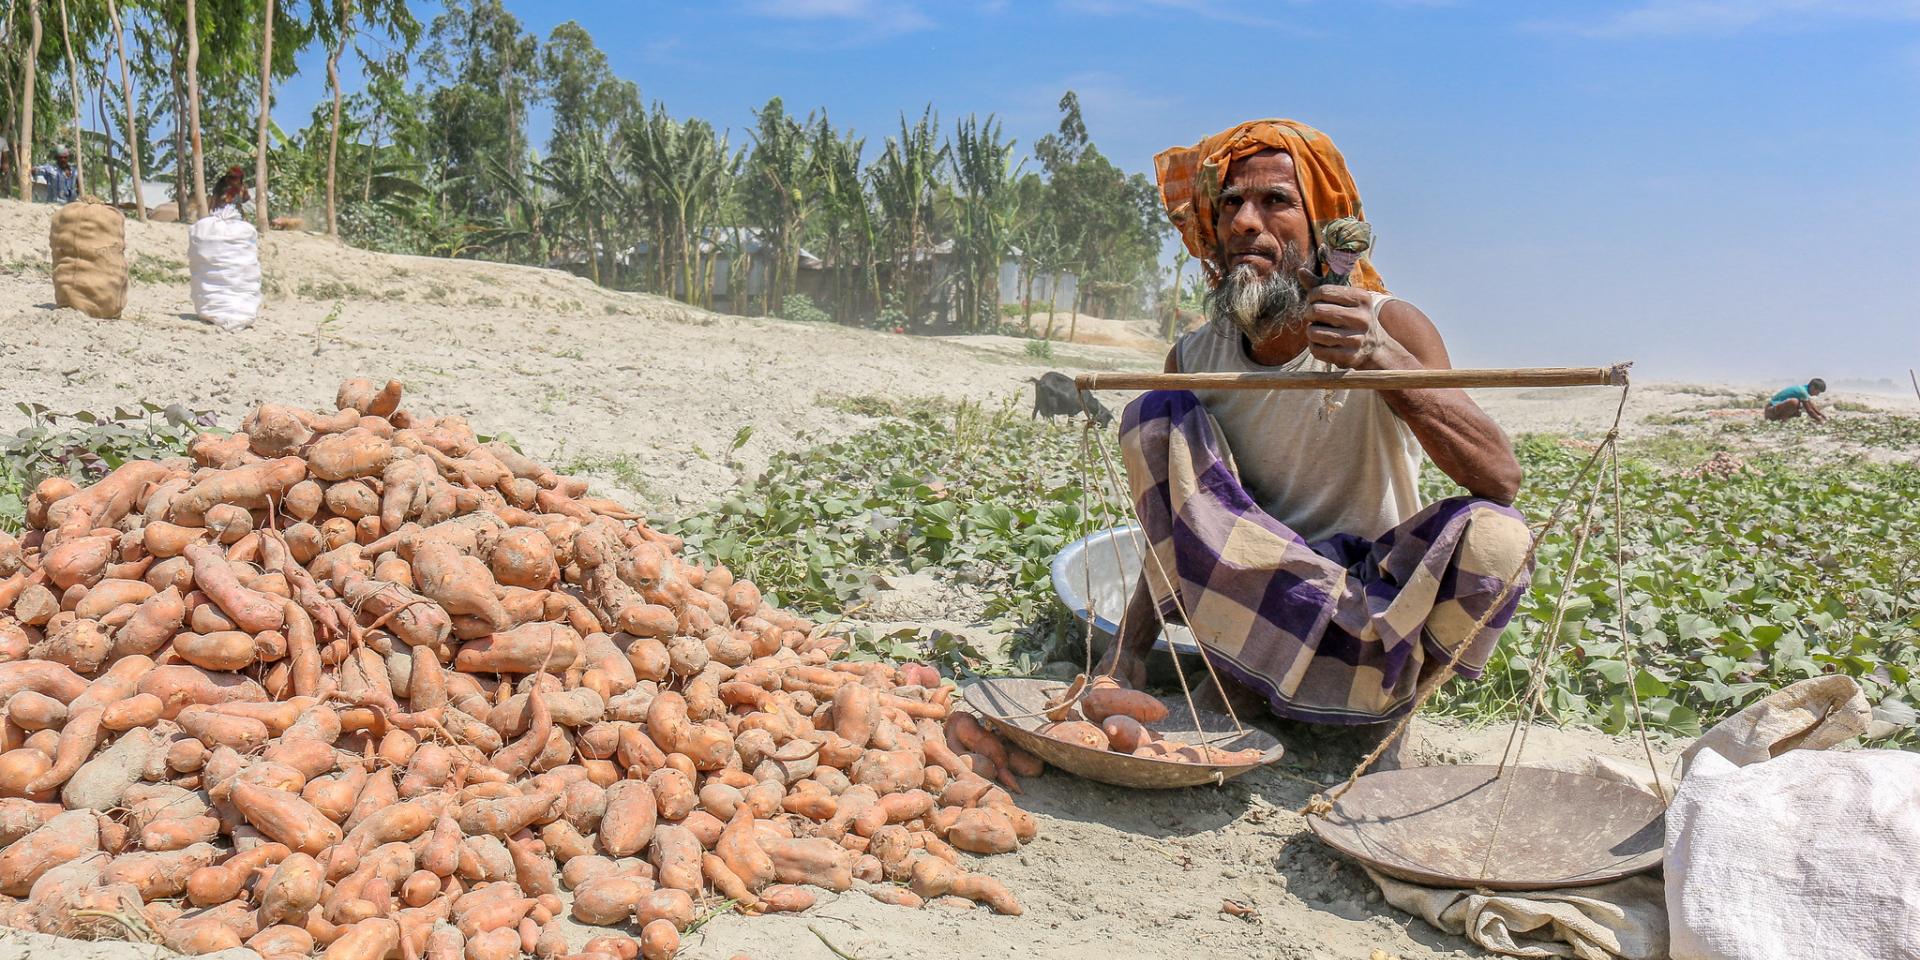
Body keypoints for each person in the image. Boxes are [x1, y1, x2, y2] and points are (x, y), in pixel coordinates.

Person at [1097, 119, 1535, 770]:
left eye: (1275, 201)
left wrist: (1383, 360)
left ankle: (1385, 720)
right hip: (1250, 614)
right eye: (1231, 204)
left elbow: (1500, 478)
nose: (1246, 221)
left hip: (1367, 617)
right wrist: (1130, 648)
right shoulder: (1194, 358)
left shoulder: (1391, 326)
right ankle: (1247, 689)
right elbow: (1176, 520)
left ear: (1324, 226)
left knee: (1499, 537)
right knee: (1155, 416)